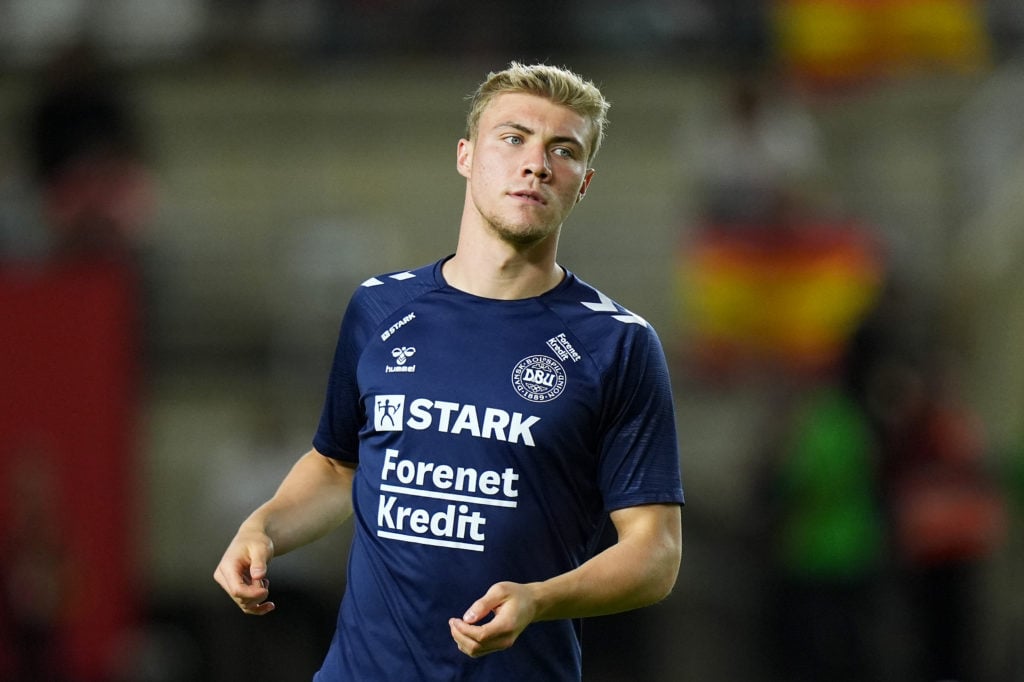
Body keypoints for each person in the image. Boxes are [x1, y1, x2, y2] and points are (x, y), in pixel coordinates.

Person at [213, 62, 685, 681]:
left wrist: (539, 598)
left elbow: (655, 550)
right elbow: (337, 465)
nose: (536, 163)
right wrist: (263, 526)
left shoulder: (617, 344)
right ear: (466, 155)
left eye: (562, 150)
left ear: (583, 182)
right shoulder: (379, 307)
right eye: (513, 138)